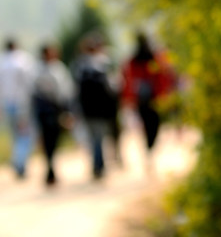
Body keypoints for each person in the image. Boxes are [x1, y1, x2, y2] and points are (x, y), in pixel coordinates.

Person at [120, 33, 176, 173]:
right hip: (154, 98)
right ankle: (150, 149)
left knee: (146, 126)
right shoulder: (154, 57)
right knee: (154, 125)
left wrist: (129, 98)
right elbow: (162, 77)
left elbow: (129, 80)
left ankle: (148, 150)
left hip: (141, 100)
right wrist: (164, 95)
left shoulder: (133, 60)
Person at [72, 32, 119, 180]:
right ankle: (100, 165)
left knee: (92, 138)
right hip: (102, 109)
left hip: (87, 110)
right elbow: (113, 87)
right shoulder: (103, 64)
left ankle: (96, 165)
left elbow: (75, 90)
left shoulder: (79, 67)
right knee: (99, 137)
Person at [0, 37, 36, 179]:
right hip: (22, 103)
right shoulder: (24, 60)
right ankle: (19, 162)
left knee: (15, 135)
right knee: (25, 135)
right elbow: (30, 83)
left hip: (6, 104)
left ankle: (18, 161)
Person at [32, 43, 75, 186]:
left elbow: (66, 91)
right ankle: (50, 170)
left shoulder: (52, 68)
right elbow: (66, 91)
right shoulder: (42, 69)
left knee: (52, 141)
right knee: (49, 141)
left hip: (51, 111)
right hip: (48, 111)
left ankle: (51, 169)